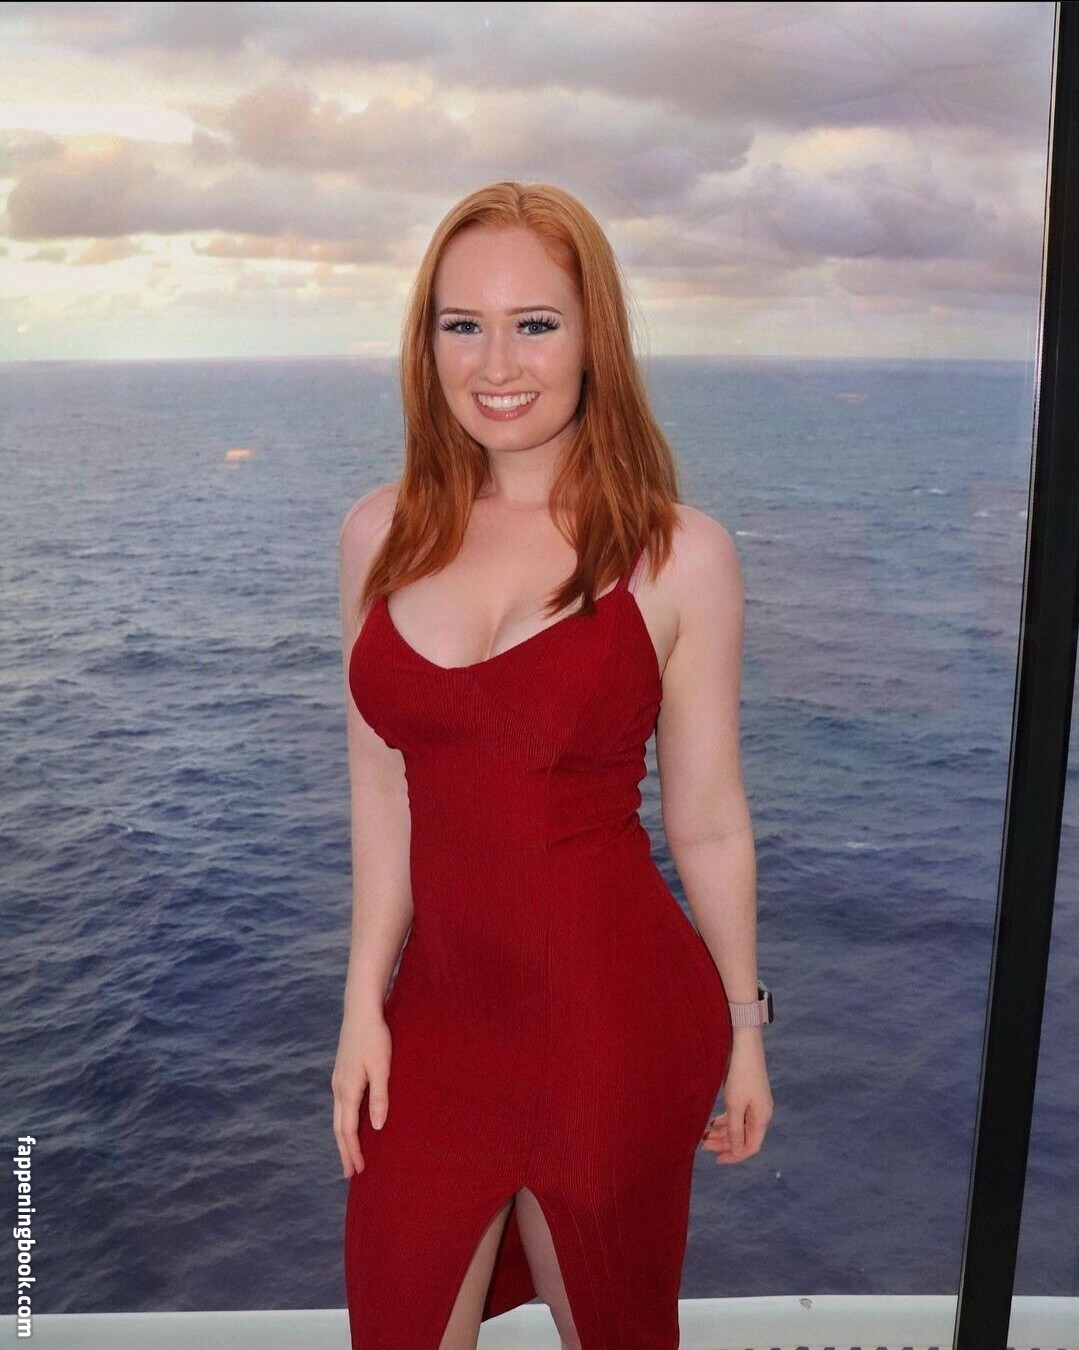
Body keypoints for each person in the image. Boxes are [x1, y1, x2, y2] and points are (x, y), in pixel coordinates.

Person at [333, 180, 774, 1350]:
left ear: (593, 339)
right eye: (461, 324)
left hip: (613, 1029)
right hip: (437, 1026)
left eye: (533, 323)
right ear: (425, 341)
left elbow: (708, 819)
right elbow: (380, 789)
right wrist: (360, 1005)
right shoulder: (378, 536)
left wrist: (744, 1029)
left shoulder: (680, 557)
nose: (494, 364)